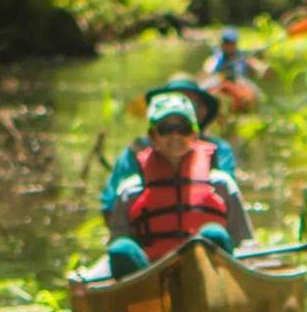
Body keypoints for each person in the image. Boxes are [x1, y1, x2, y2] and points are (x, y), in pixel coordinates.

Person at [103, 93, 254, 278]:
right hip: (151, 282)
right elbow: (112, 254)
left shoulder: (222, 185)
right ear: (152, 136)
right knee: (121, 250)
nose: (175, 135)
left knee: (213, 235)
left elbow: (246, 244)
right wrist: (85, 279)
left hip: (210, 282)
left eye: (183, 128)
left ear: (195, 133)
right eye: (166, 128)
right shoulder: (130, 192)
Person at [98, 77, 236, 219]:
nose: (177, 107)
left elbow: (227, 200)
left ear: (203, 111)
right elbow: (110, 204)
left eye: (190, 103)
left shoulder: (219, 152)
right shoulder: (135, 152)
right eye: (166, 128)